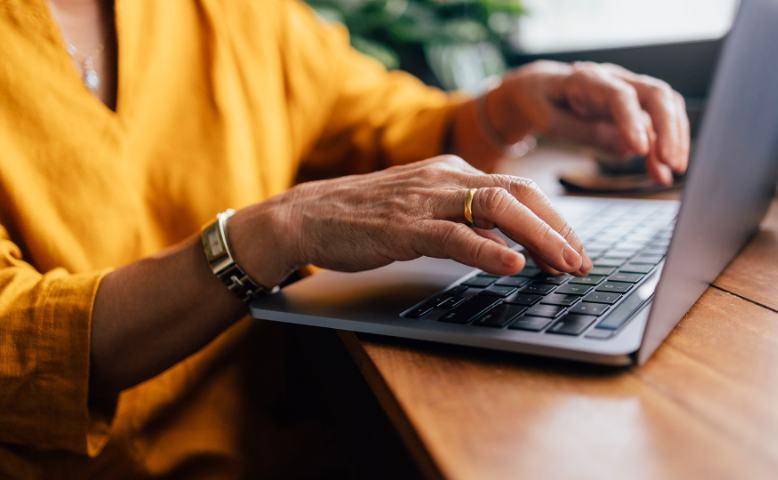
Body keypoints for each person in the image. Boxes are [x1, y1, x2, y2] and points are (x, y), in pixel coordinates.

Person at [0, 0, 690, 477]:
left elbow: (373, 122)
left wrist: (504, 108)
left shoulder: (236, 14)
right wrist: (273, 231)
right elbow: (15, 342)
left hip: (275, 447)